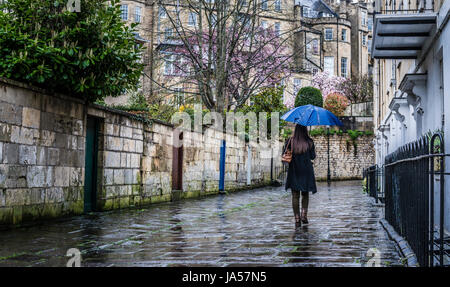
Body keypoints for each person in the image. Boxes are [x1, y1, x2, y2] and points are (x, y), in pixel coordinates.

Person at [284, 124, 317, 226]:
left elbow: (285, 154)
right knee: (305, 194)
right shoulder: (309, 142)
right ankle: (304, 215)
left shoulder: (290, 141)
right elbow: (312, 157)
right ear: (305, 129)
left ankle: (297, 219)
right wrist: (310, 144)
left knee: (295, 195)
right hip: (306, 171)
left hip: (294, 170)